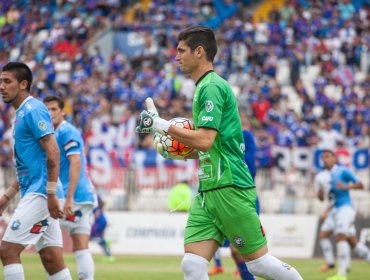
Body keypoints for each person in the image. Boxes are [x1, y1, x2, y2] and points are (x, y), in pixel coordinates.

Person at [136, 26, 303, 280]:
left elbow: (204, 140)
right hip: (208, 191)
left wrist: (161, 124)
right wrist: (177, 151)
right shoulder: (203, 87)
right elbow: (209, 147)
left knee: (258, 265)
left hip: (229, 187)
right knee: (192, 264)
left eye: (181, 51)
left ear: (199, 52)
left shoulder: (211, 87)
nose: (176, 57)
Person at [0, 62, 72, 280]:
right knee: (52, 260)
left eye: (7, 81)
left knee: (8, 250)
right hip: (37, 189)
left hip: (42, 192)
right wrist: (7, 196)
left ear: (23, 84)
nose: (1, 86)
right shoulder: (20, 115)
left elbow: (53, 151)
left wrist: (50, 193)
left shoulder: (33, 109)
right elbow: (27, 165)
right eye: (1, 81)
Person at [43, 95, 96, 280]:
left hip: (72, 196)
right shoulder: (55, 132)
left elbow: (76, 163)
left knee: (46, 243)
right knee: (80, 244)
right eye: (47, 110)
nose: (50, 114)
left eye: (54, 109)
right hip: (82, 195)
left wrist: (69, 197)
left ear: (62, 111)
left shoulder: (67, 131)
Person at [209, 127, 259, 280]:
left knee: (242, 251)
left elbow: (251, 169)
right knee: (234, 251)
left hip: (243, 197)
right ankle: (218, 265)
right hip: (221, 198)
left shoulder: (245, 135)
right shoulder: (215, 137)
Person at [315, 149, 370, 280]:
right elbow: (322, 198)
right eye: (323, 157)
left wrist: (346, 187)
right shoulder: (320, 176)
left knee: (340, 235)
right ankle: (332, 264)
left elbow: (361, 185)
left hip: (346, 208)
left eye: (328, 157)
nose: (325, 159)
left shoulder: (342, 171)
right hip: (334, 210)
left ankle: (341, 274)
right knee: (353, 244)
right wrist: (321, 193)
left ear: (334, 158)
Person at [90, 195, 114, 262]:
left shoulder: (94, 197)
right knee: (96, 239)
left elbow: (97, 213)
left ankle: (105, 241)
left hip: (99, 222)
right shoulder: (95, 197)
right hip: (102, 221)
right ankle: (108, 255)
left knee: (89, 236)